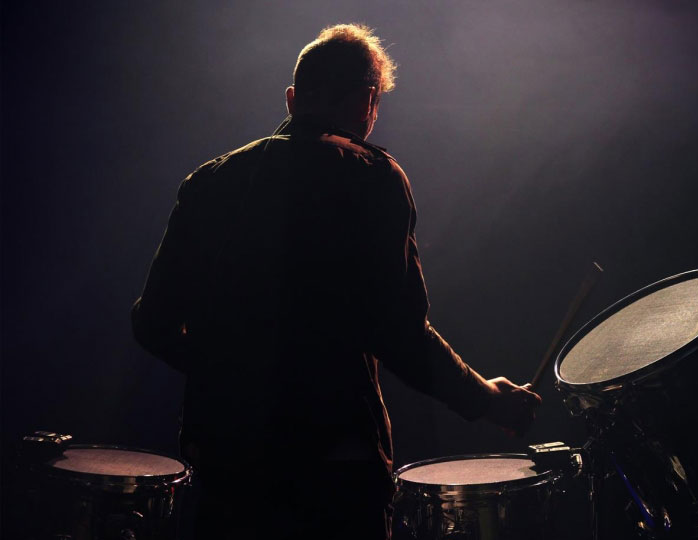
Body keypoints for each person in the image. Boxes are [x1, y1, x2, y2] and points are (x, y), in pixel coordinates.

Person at [131, 23, 541, 539]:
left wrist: (231, 372)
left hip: (227, 465)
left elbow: (151, 323)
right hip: (335, 471)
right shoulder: (372, 176)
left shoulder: (208, 182)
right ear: (367, 101)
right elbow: (400, 334)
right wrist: (486, 398)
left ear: (292, 98)